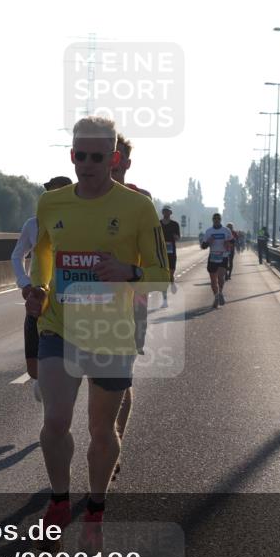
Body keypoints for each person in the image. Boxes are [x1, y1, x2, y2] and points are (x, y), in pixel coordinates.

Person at [27, 116, 169, 549]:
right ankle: (57, 500)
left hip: (110, 332)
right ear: (71, 156)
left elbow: (162, 276)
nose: (86, 164)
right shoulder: (51, 203)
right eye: (78, 156)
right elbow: (45, 252)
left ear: (114, 159)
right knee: (55, 420)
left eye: (96, 157)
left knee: (102, 431)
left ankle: (95, 508)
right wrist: (40, 290)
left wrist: (130, 271)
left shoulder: (138, 208)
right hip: (59, 326)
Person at [109, 133, 151, 482]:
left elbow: (156, 264)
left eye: (116, 157)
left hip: (131, 305)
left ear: (126, 162)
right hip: (83, 307)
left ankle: (113, 441)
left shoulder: (140, 202)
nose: (111, 163)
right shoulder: (78, 202)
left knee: (121, 381)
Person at [11, 176, 73, 402]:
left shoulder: (79, 224)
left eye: (58, 192)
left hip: (68, 303)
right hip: (39, 301)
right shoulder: (33, 224)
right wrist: (24, 283)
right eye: (49, 193)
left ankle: (55, 422)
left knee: (62, 371)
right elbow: (17, 255)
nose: (51, 197)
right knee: (35, 371)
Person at [202, 213, 234, 308]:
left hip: (223, 256)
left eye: (218, 218)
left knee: (220, 278)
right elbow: (203, 246)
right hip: (212, 257)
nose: (216, 220)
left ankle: (220, 292)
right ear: (212, 220)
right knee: (213, 280)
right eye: (215, 218)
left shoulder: (226, 230)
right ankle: (216, 296)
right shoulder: (209, 231)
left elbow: (233, 241)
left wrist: (228, 243)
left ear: (220, 220)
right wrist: (208, 242)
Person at [159, 206, 180, 307]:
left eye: (168, 211)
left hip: (171, 252)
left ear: (170, 213)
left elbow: (178, 238)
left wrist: (174, 237)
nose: (166, 213)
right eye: (164, 211)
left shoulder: (175, 224)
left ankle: (172, 281)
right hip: (161, 252)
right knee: (163, 276)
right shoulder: (158, 224)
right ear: (163, 212)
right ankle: (164, 300)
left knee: (170, 274)